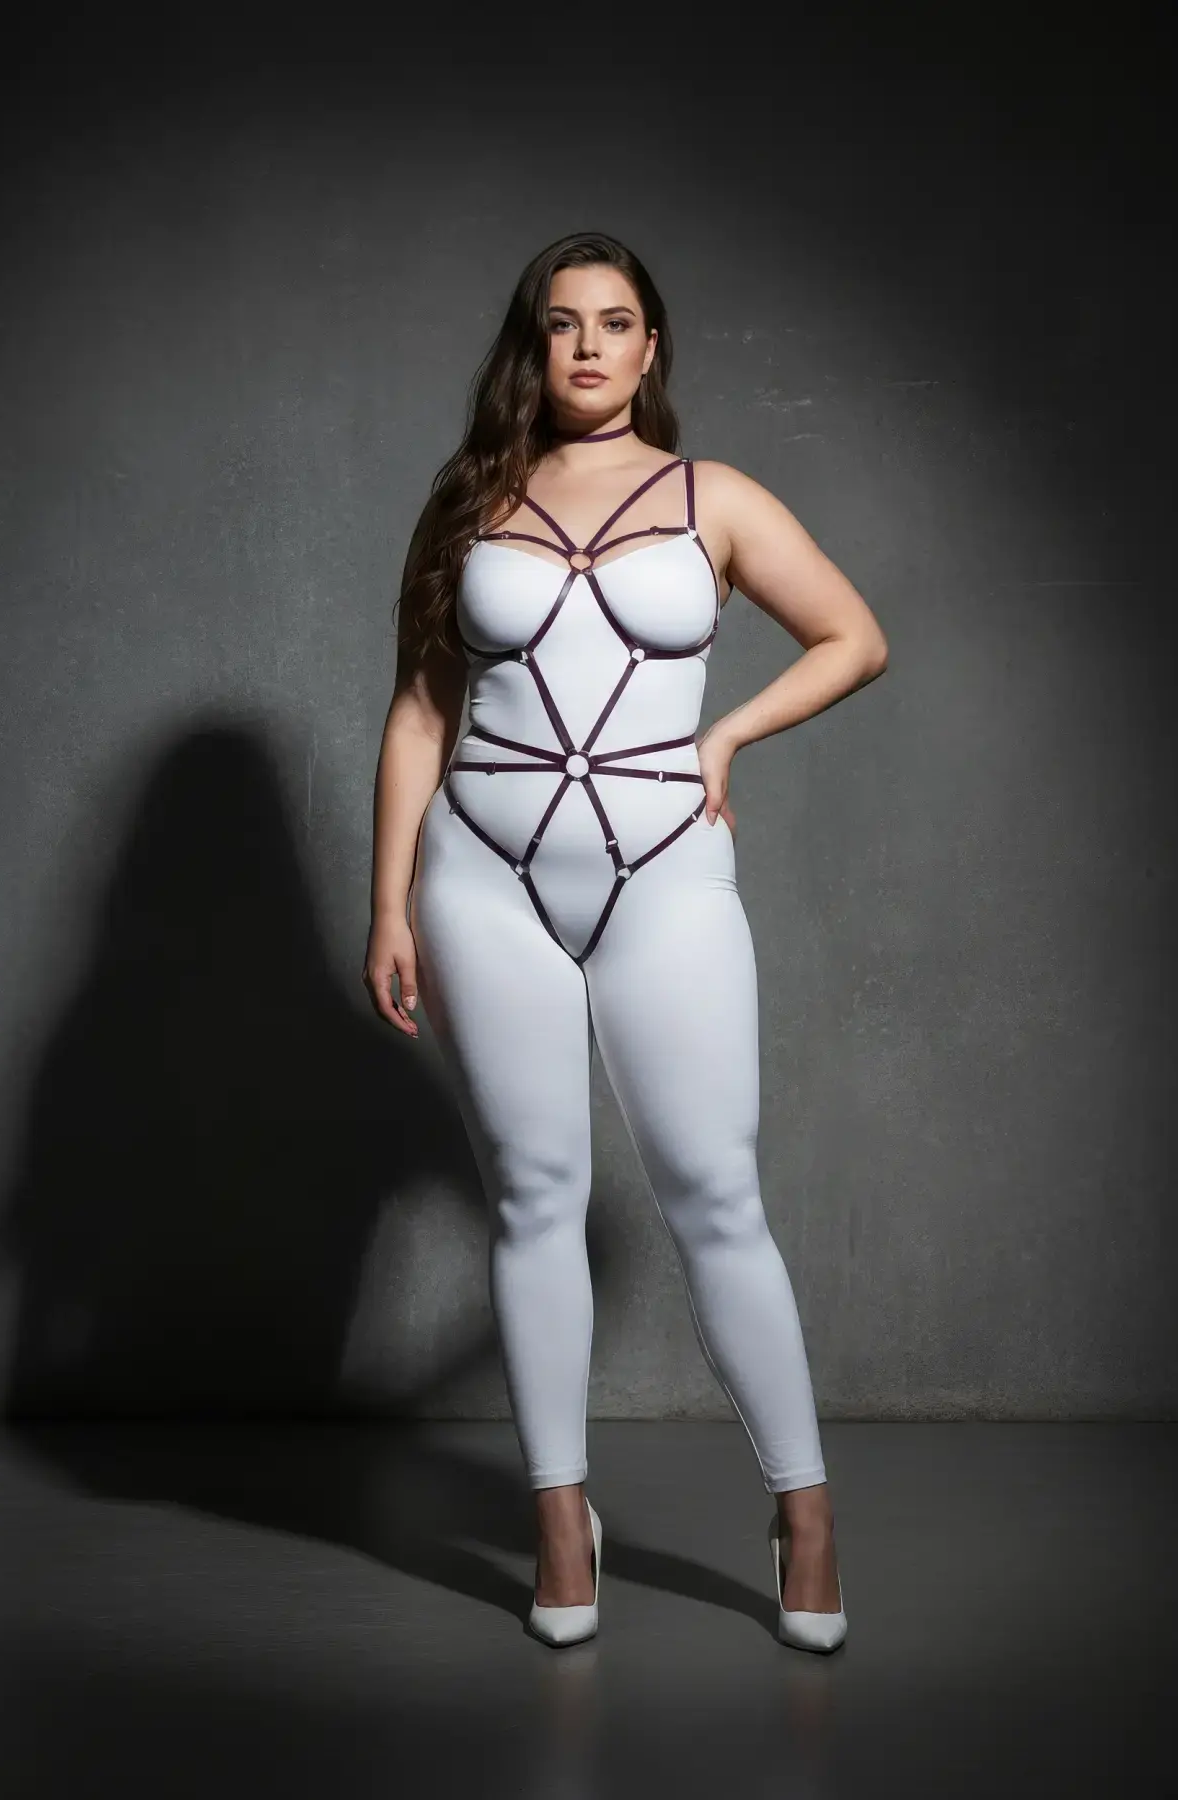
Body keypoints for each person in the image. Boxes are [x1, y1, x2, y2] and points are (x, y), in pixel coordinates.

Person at [364, 231, 888, 1650]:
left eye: (614, 322)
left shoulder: (716, 497)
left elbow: (853, 637)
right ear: (532, 346)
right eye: (561, 323)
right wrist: (388, 903)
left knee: (714, 1191)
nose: (587, 346)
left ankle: (804, 1514)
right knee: (535, 1194)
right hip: (483, 872)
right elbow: (418, 713)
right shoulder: (470, 499)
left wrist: (730, 733)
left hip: (663, 869)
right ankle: (558, 1519)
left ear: (652, 348)